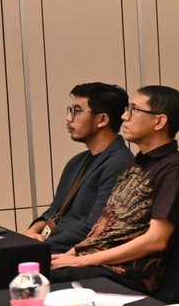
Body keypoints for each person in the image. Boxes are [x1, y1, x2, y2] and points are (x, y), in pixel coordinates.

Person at [51, 85, 179, 293]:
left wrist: (82, 261)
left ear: (159, 121)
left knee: (37, 279)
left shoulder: (173, 169)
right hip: (98, 263)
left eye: (133, 110)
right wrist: (73, 254)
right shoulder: (138, 163)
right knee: (31, 271)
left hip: (126, 275)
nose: (124, 116)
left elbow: (155, 240)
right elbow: (105, 227)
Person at [25, 82, 134, 252]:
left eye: (76, 111)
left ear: (102, 119)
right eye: (70, 110)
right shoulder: (77, 161)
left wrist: (41, 248)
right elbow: (55, 210)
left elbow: (94, 226)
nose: (68, 118)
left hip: (75, 254)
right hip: (53, 246)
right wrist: (32, 232)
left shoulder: (120, 163)